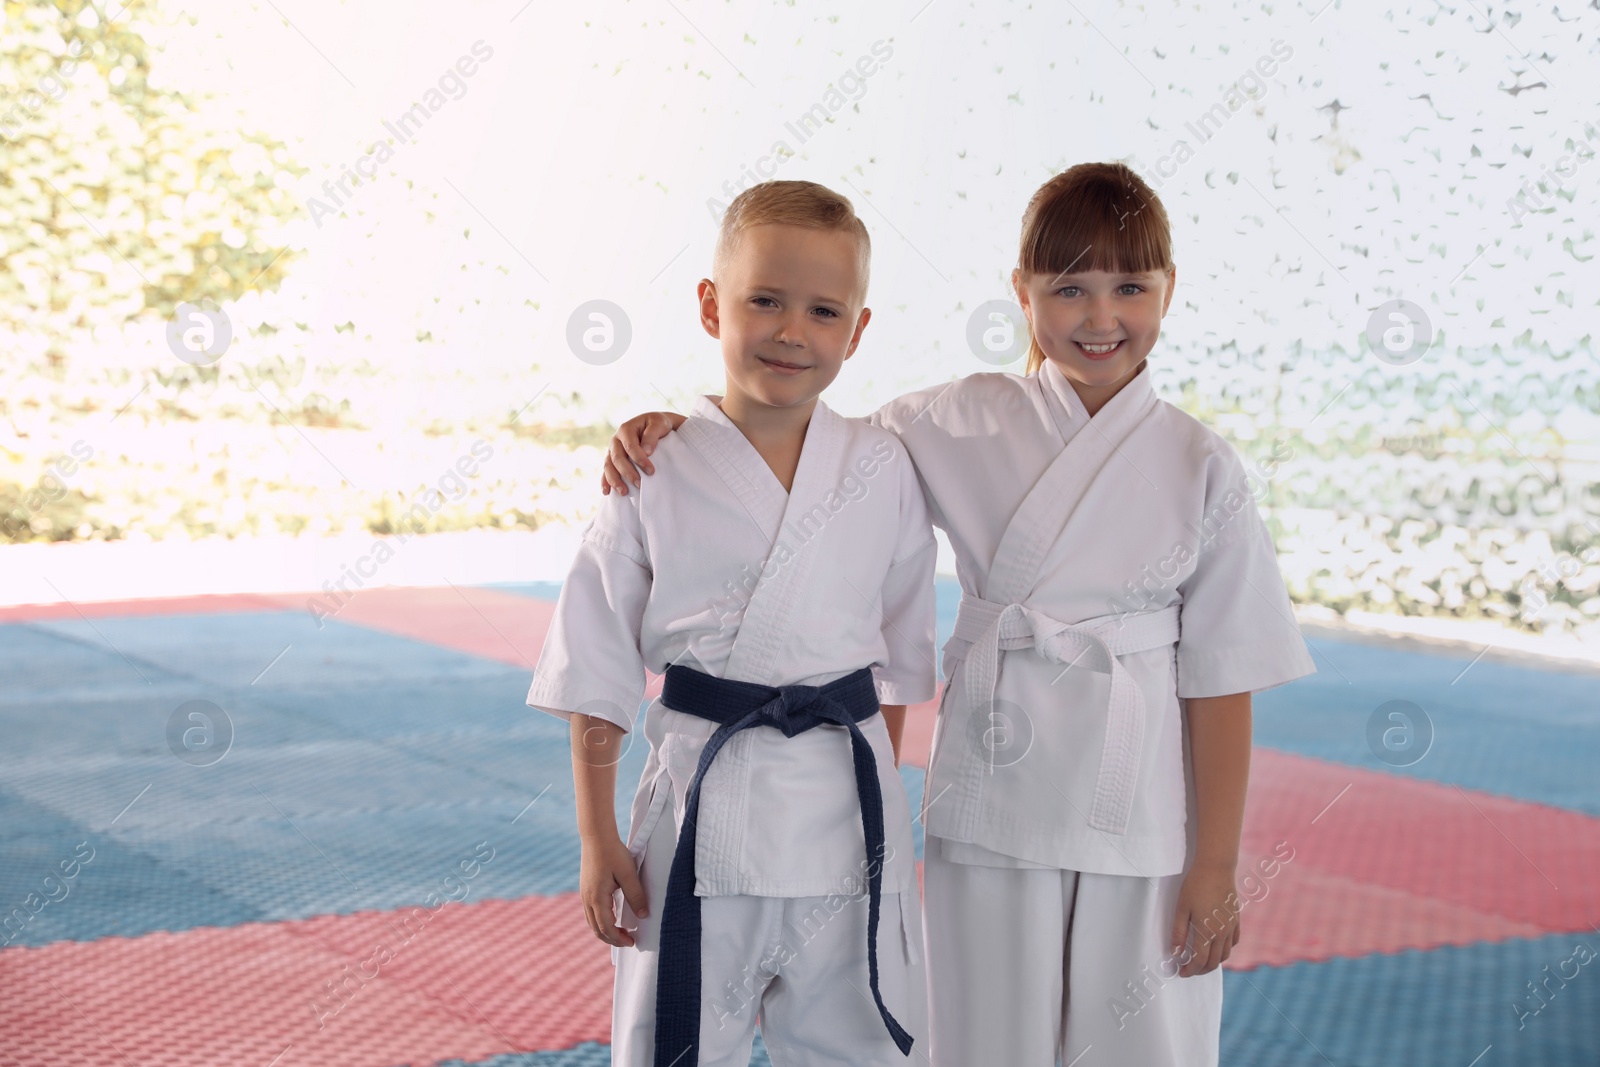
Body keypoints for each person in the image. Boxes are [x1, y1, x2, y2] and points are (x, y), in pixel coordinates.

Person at [598, 162, 1317, 1066]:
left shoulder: (1201, 464)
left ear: (1170, 292)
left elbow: (1223, 676)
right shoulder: (958, 419)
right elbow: (803, 430)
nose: (1101, 318)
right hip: (992, 787)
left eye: (1131, 286)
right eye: (1069, 289)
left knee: (1145, 1044)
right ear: (1022, 294)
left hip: (1137, 807)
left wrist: (1216, 864)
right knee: (983, 1043)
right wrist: (682, 435)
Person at [527, 179, 935, 1067]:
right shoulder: (653, 467)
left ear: (858, 331)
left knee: (864, 1048)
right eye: (765, 301)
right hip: (696, 816)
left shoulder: (883, 466)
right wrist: (598, 837)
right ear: (712, 306)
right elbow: (594, 667)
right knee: (671, 1046)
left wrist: (884, 809)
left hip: (847, 825)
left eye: (824, 310)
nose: (793, 331)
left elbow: (898, 668)